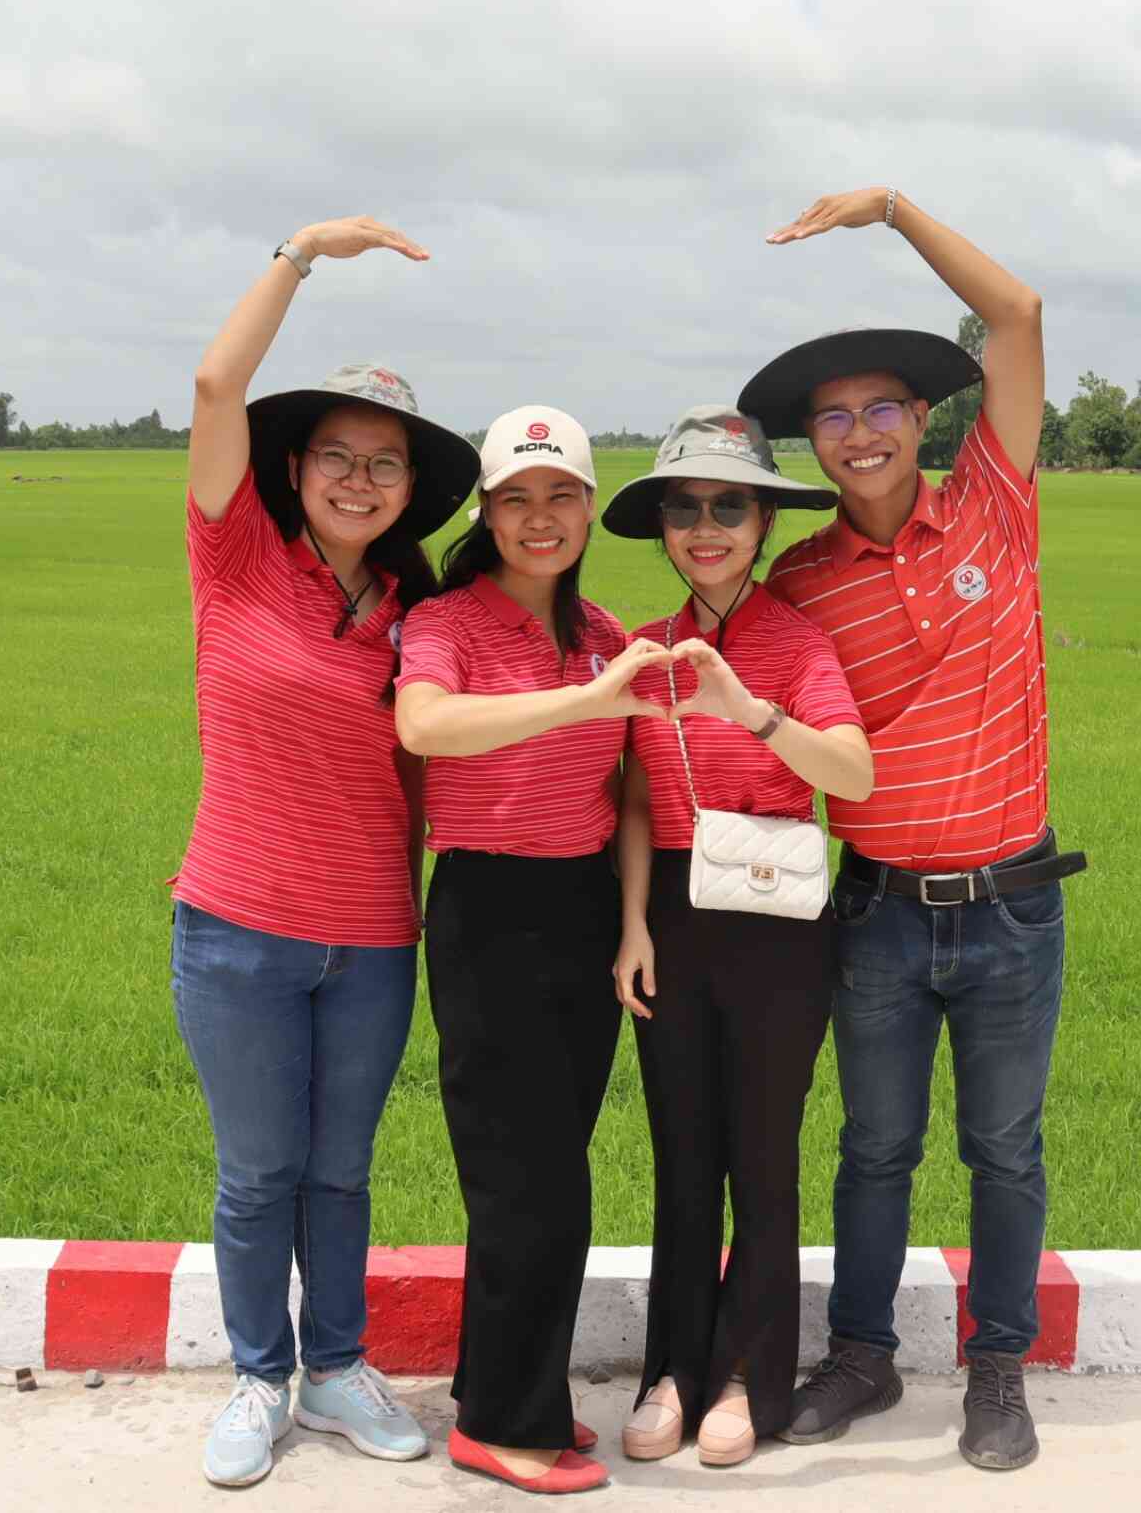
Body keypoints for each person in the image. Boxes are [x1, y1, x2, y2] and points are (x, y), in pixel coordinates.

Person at [738, 187, 1086, 1473]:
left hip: (1012, 905)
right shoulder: (798, 584)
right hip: (878, 910)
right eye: (832, 418)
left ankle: (997, 1371)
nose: (859, 434)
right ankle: (863, 1357)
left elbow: (1017, 314)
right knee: (874, 1147)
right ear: (812, 445)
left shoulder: (996, 498)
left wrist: (891, 210)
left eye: (881, 407)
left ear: (923, 419)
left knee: (1003, 1151)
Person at [174, 216, 482, 1488]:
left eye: (385, 466)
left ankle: (338, 1368)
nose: (360, 481)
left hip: (370, 942)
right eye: (339, 457)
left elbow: (441, 763)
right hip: (237, 929)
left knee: (341, 1173)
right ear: (295, 467)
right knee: (259, 1174)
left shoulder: (418, 615)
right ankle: (259, 1378)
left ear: (410, 491)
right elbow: (215, 387)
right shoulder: (236, 557)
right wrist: (300, 253)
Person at [392, 405, 675, 1496]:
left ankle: (505, 1388)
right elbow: (425, 725)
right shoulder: (448, 622)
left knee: (551, 1169)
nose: (540, 517)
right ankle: (501, 1425)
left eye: (561, 495)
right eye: (517, 498)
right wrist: (583, 699)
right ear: (486, 512)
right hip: (489, 909)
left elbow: (632, 789)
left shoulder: (605, 633)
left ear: (590, 508)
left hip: (584, 907)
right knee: (525, 1182)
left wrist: (633, 920)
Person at [598, 406, 874, 1468]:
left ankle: (749, 1376)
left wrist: (747, 707)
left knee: (762, 1157)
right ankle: (672, 1368)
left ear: (762, 524)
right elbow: (633, 797)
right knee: (683, 1156)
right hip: (672, 912)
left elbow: (851, 774)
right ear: (663, 529)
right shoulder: (645, 650)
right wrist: (632, 923)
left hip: (776, 918)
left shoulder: (798, 645)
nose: (705, 527)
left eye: (728, 507)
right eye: (685, 508)